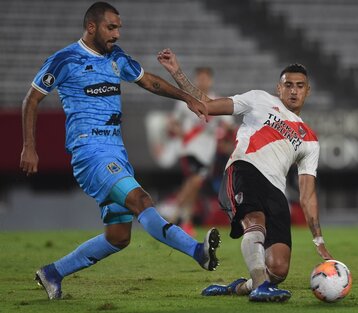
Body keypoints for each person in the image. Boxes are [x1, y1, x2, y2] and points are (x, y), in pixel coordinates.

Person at [19, 2, 220, 300]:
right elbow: (31, 100)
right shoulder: (65, 59)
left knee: (118, 237)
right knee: (142, 200)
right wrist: (29, 147)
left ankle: (52, 272)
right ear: (91, 27)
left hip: (116, 151)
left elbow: (148, 80)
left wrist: (186, 97)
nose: (116, 34)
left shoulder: (116, 58)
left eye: (119, 28)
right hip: (90, 152)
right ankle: (198, 252)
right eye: (111, 27)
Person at [158, 49, 333, 302]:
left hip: (276, 191)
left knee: (278, 270)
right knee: (255, 222)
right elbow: (206, 103)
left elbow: (307, 195)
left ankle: (241, 287)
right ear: (279, 87)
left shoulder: (310, 140)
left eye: (300, 86)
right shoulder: (258, 99)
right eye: (288, 85)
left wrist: (318, 239)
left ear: (308, 91)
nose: (294, 90)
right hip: (244, 169)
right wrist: (178, 73)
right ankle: (261, 288)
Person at [160, 67, 234, 236]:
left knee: (194, 183)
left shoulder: (216, 101)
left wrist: (227, 132)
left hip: (207, 152)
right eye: (200, 78)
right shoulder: (185, 101)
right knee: (195, 180)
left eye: (206, 78)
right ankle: (174, 213)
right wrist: (178, 131)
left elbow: (229, 125)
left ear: (211, 80)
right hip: (190, 148)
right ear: (196, 80)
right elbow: (172, 122)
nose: (203, 82)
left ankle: (184, 219)